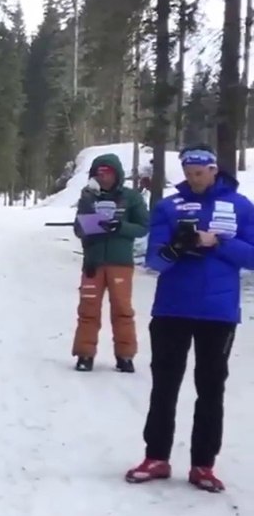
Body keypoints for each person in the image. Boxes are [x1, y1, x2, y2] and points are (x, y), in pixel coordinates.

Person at [125, 145, 254, 492]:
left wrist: (218, 243)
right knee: (164, 386)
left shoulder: (241, 207)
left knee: (210, 388)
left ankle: (203, 465)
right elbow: (155, 260)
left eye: (199, 172)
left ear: (214, 170)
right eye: (187, 172)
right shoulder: (169, 206)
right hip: (172, 309)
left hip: (218, 313)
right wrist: (178, 248)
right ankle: (156, 457)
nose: (193, 178)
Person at [70, 153, 149, 372]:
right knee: (88, 309)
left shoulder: (131, 197)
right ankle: (84, 354)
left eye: (108, 173)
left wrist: (120, 227)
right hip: (93, 262)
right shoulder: (88, 196)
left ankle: (125, 356)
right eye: (99, 173)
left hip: (120, 262)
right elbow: (78, 228)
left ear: (117, 175)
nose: (104, 178)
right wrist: (93, 221)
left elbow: (143, 226)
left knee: (122, 309)